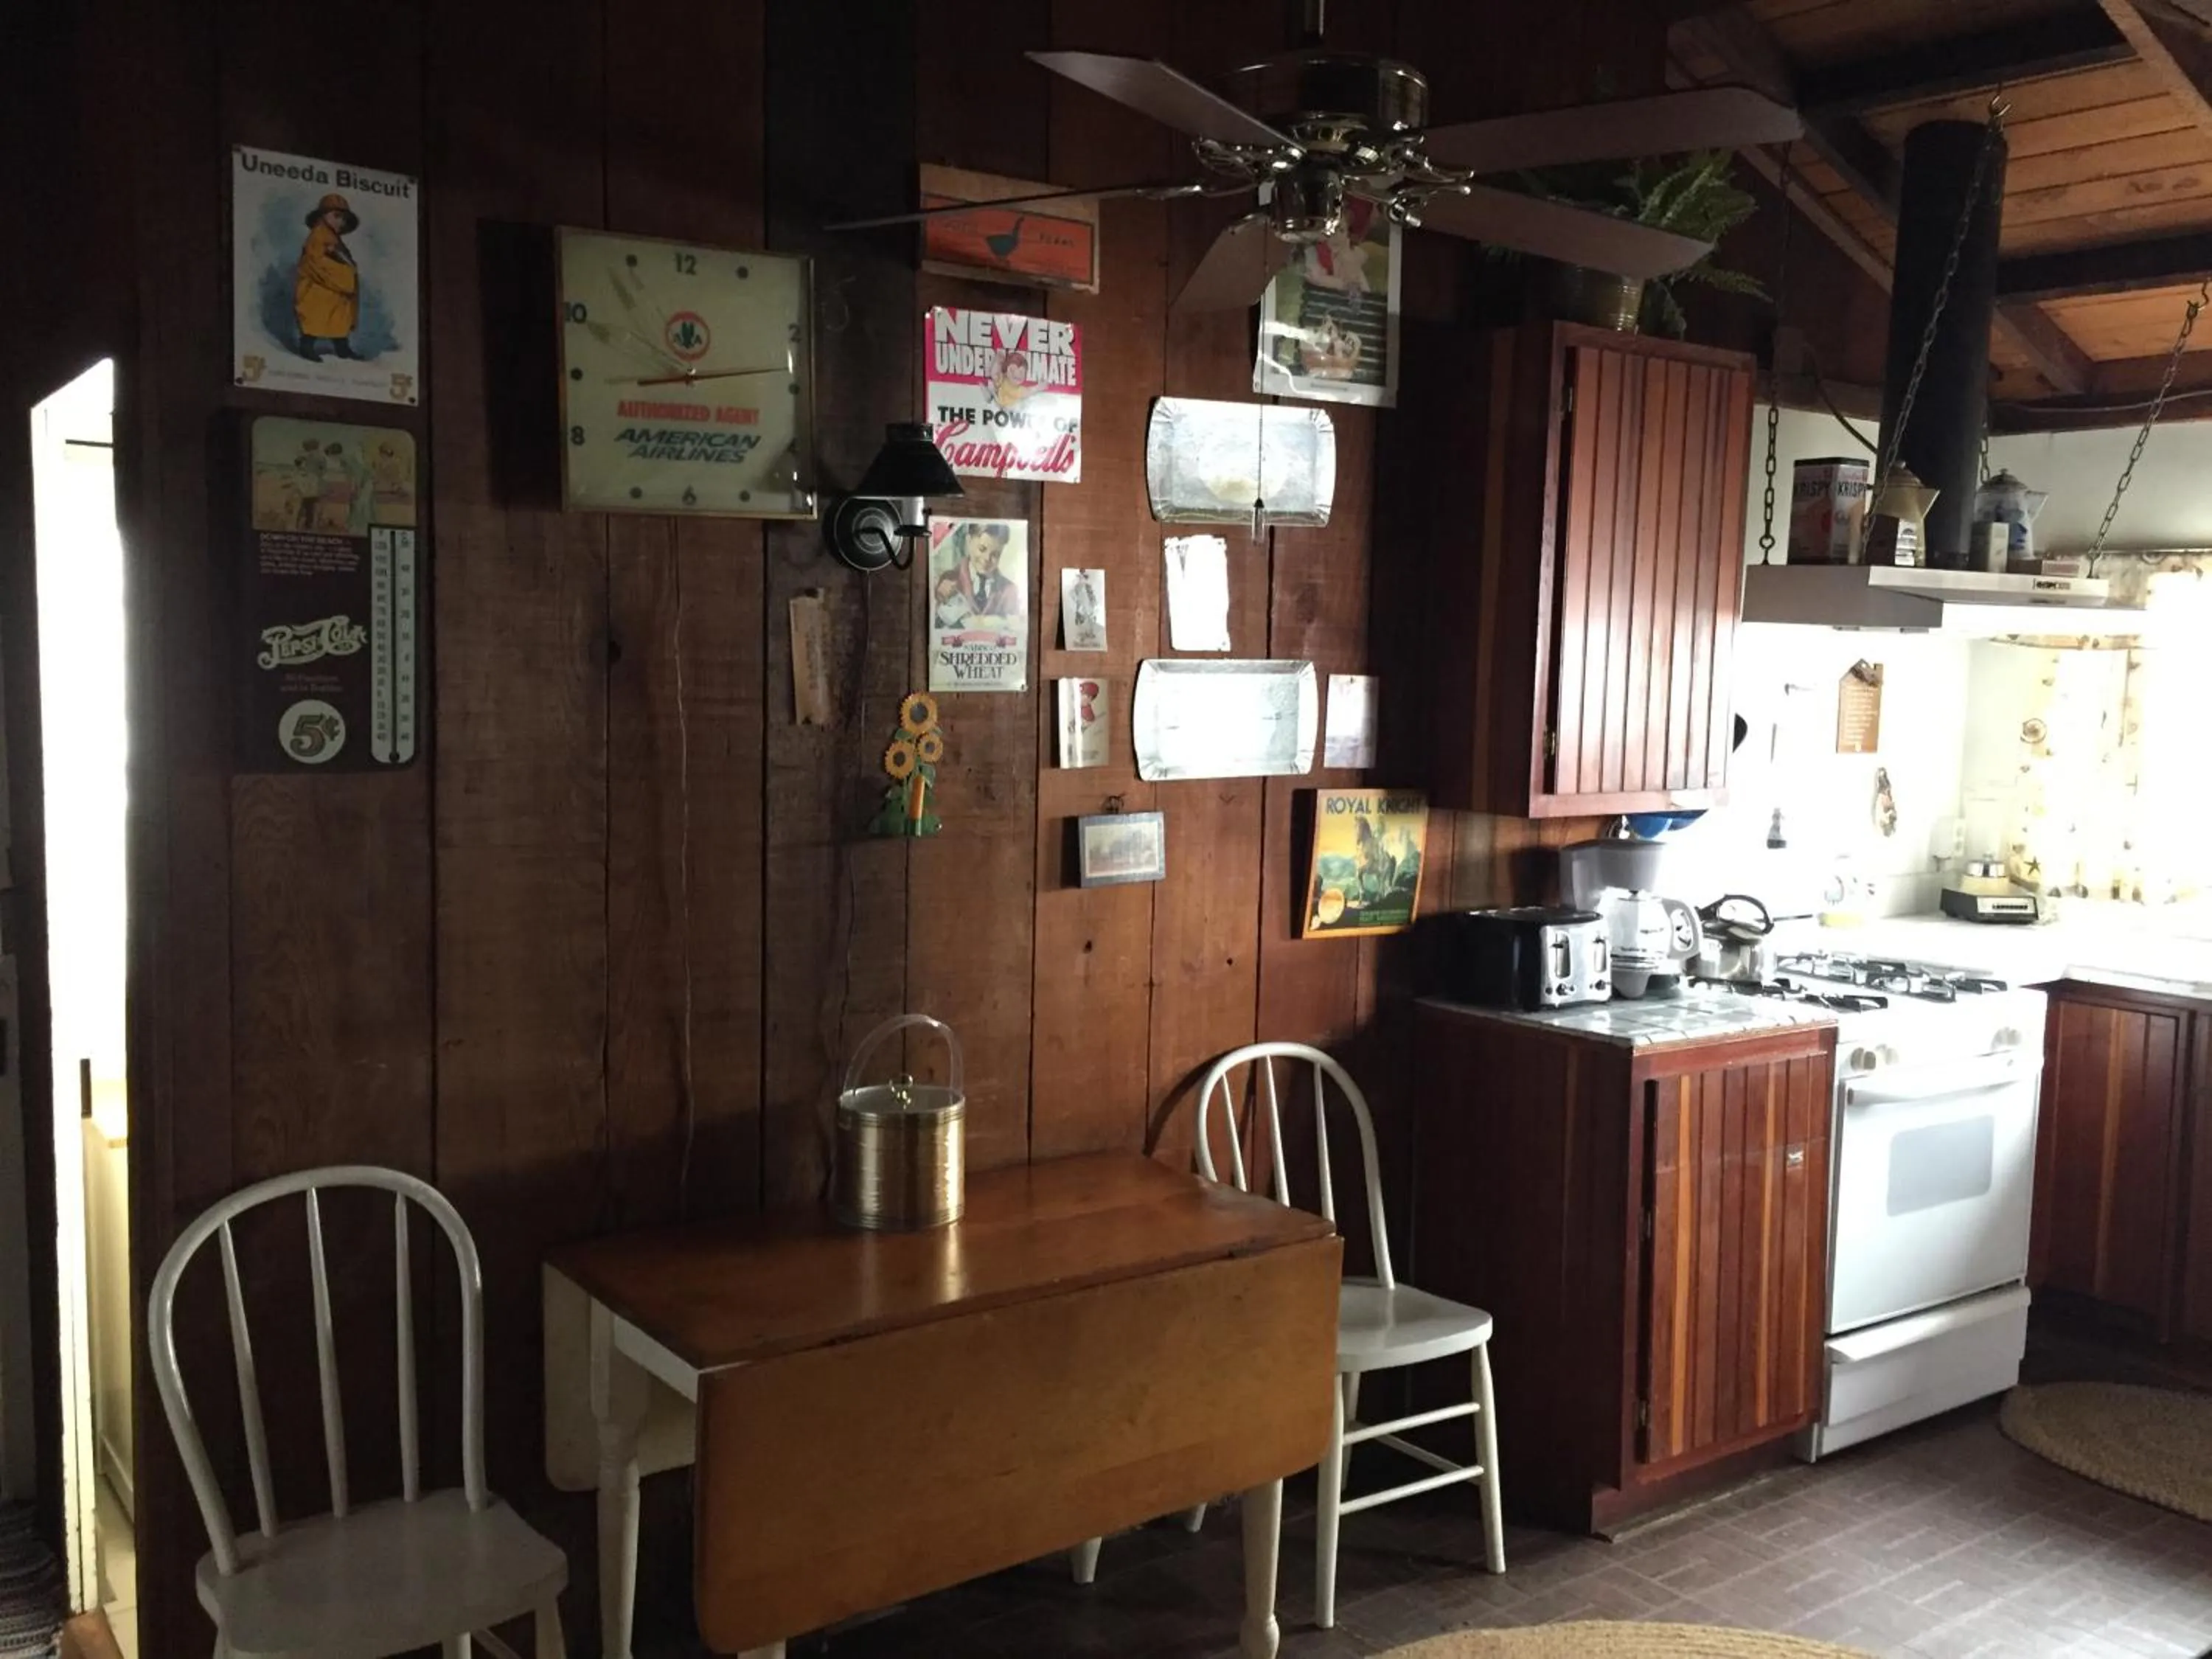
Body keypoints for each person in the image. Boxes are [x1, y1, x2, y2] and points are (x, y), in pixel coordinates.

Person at [295, 192, 363, 362]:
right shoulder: (318, 234)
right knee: (315, 316)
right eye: (336, 216)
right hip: (318, 287)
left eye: (344, 219)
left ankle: (342, 347)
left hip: (334, 287)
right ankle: (307, 346)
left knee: (339, 317)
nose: (341, 222)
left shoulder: (334, 238)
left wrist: (347, 271)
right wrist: (343, 274)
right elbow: (313, 260)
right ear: (323, 216)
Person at [933, 521, 1020, 628]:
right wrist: (938, 598)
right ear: (969, 542)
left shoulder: (1009, 591)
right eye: (982, 549)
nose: (987, 558)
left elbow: (1016, 631)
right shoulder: (949, 580)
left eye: (995, 554)